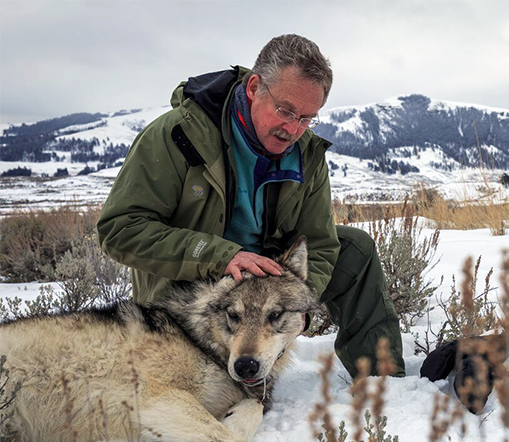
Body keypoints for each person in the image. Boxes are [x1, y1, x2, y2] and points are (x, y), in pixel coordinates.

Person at [97, 34, 404, 378]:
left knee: (356, 251)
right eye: (285, 111)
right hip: (192, 279)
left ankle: (382, 381)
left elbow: (318, 241)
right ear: (254, 87)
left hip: (266, 278)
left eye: (306, 118)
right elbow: (120, 227)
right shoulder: (177, 136)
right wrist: (220, 255)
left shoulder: (308, 154)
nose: (293, 129)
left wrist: (299, 303)